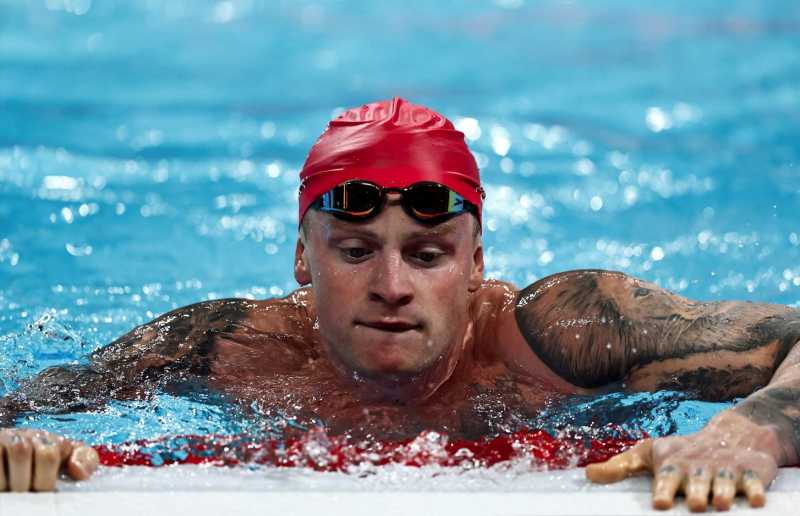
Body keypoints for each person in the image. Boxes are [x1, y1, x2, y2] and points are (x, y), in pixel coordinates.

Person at [1, 97, 798, 511]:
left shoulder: (562, 331)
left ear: (476, 263)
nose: (391, 285)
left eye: (427, 254)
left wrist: (753, 427)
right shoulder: (228, 346)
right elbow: (33, 401)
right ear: (302, 259)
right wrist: (17, 443)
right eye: (355, 251)